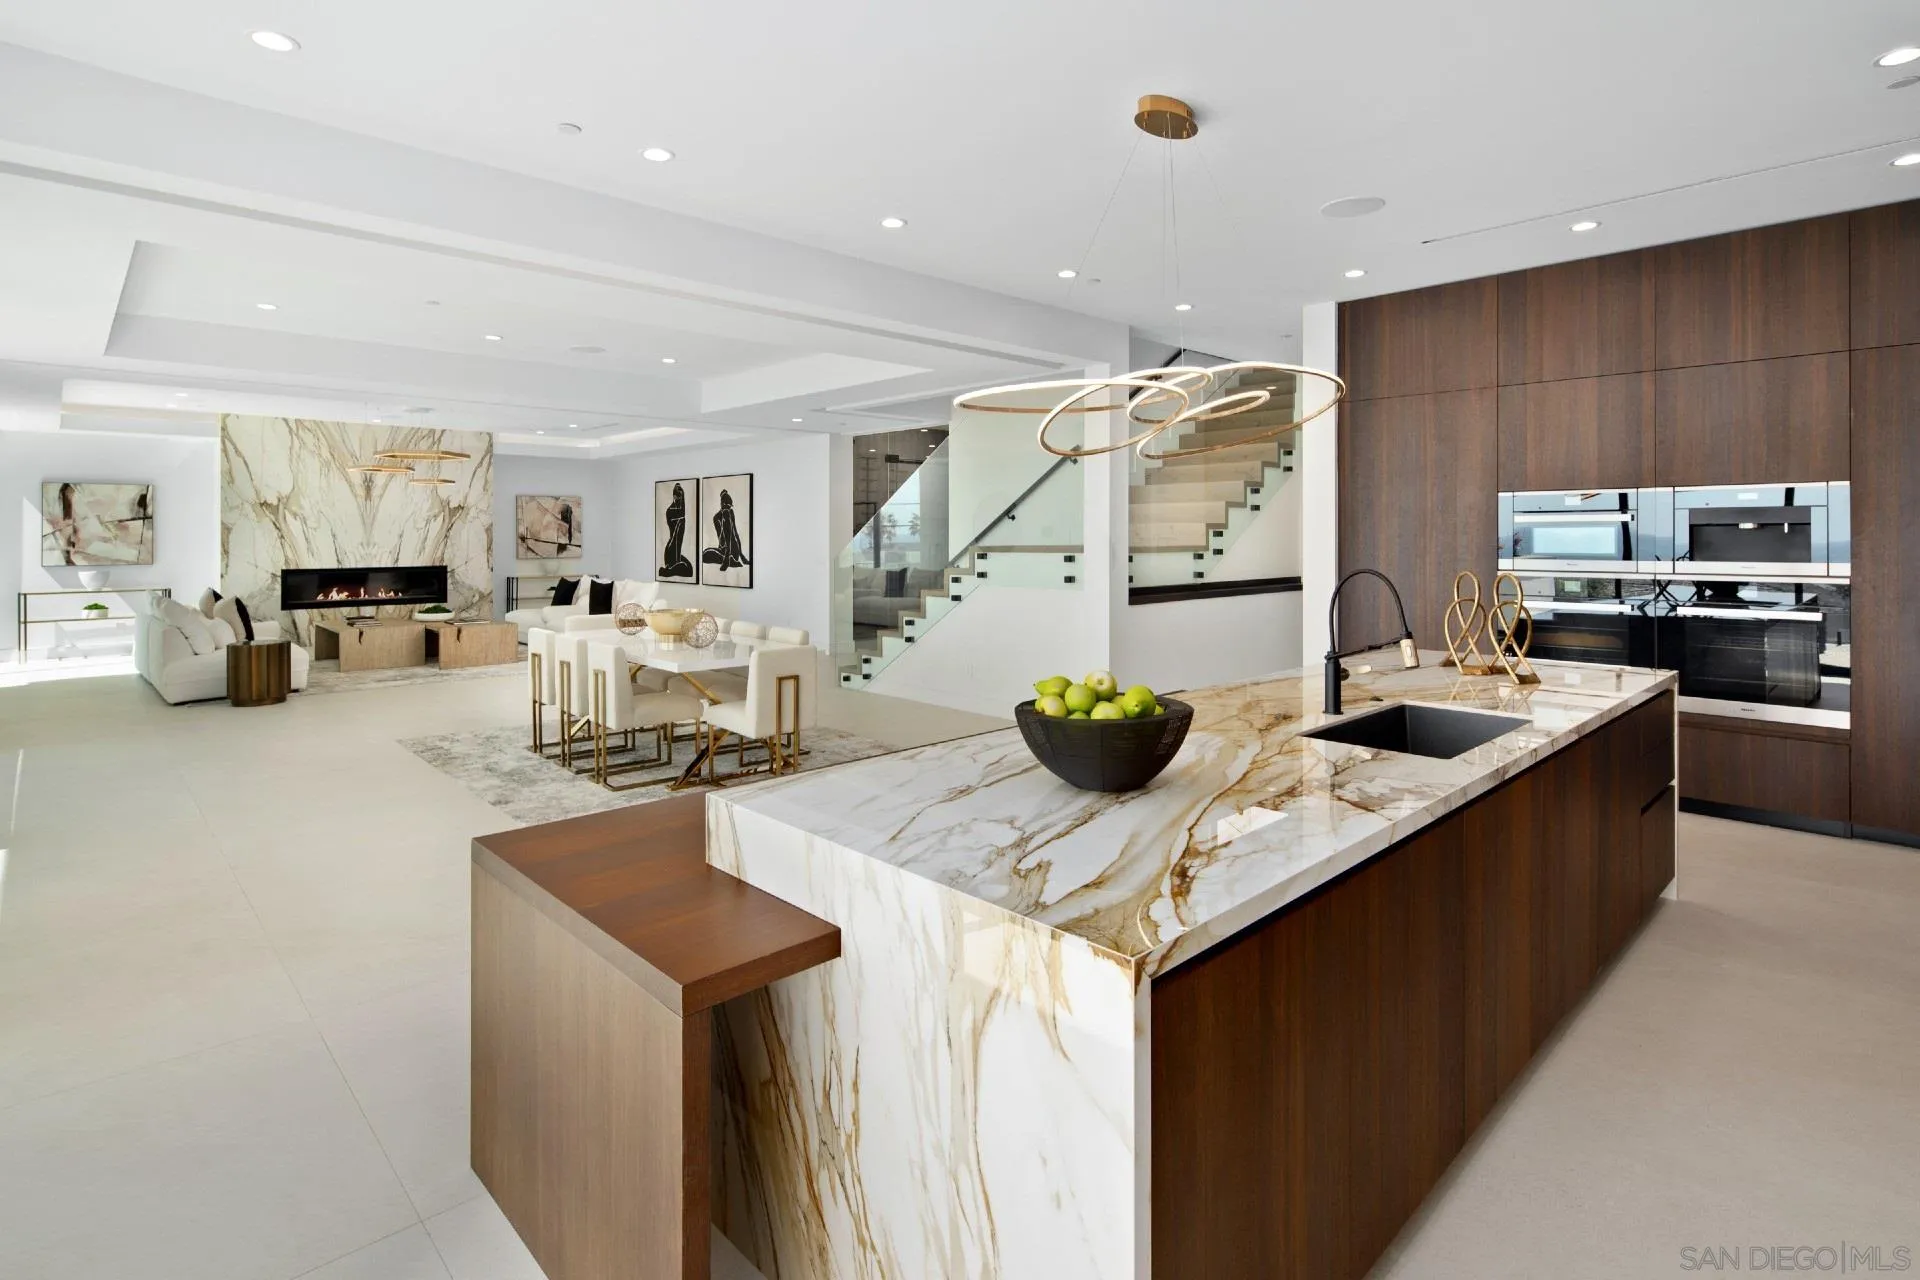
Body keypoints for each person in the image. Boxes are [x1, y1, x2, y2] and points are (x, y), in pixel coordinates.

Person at [702, 488, 750, 571]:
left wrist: (726, 561)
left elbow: (730, 535)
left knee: (705, 554)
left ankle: (729, 560)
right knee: (706, 552)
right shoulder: (727, 512)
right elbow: (735, 533)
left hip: (729, 552)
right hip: (732, 552)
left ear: (722, 503)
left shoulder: (726, 512)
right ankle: (730, 558)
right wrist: (741, 555)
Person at [658, 483, 694, 578]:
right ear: (674, 496)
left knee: (690, 570)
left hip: (677, 553)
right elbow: (682, 512)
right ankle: (667, 571)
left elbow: (682, 512)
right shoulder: (670, 511)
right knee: (688, 571)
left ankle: (668, 571)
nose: (681, 500)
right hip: (671, 552)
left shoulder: (679, 511)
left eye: (682, 498)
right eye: (679, 497)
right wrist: (683, 495)